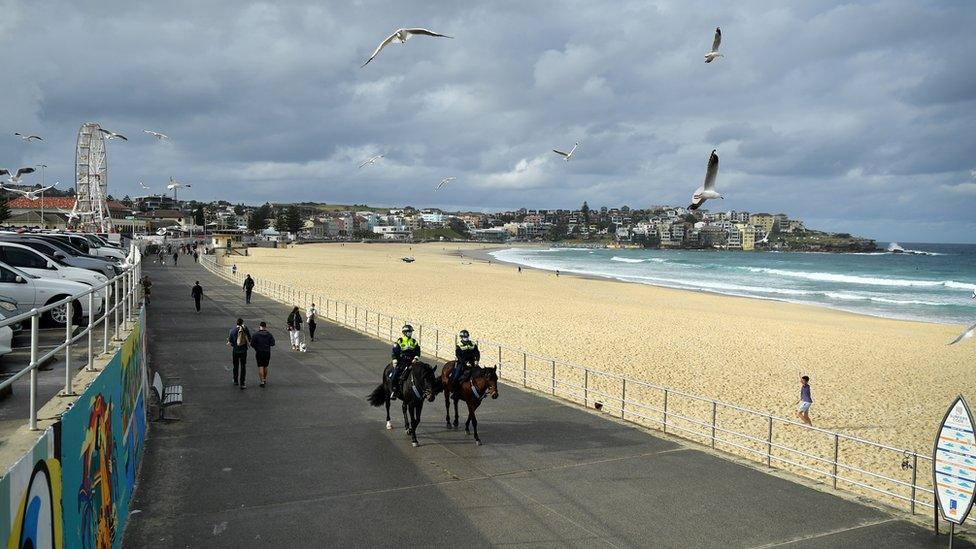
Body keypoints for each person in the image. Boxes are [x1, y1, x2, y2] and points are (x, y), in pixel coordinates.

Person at [390, 324, 420, 399]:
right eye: (409, 332)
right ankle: (394, 391)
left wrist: (416, 358)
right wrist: (395, 360)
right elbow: (394, 352)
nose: (410, 333)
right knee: (394, 375)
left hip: (412, 362)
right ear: (404, 333)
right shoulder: (399, 341)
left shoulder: (414, 341)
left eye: (411, 332)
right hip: (402, 362)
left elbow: (417, 351)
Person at [250, 321, 276, 387]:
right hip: (267, 352)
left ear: (260, 327)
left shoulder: (256, 334)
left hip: (259, 352)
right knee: (265, 366)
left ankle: (261, 382)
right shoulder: (269, 334)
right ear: (265, 327)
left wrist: (257, 347)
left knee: (260, 366)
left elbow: (252, 344)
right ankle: (264, 379)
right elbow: (273, 343)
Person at [228, 318, 251, 389]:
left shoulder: (232, 330)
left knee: (235, 365)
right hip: (243, 351)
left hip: (235, 351)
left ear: (236, 323)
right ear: (242, 323)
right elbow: (249, 338)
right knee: (243, 366)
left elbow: (231, 341)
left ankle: (235, 380)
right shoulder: (245, 329)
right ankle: (242, 383)